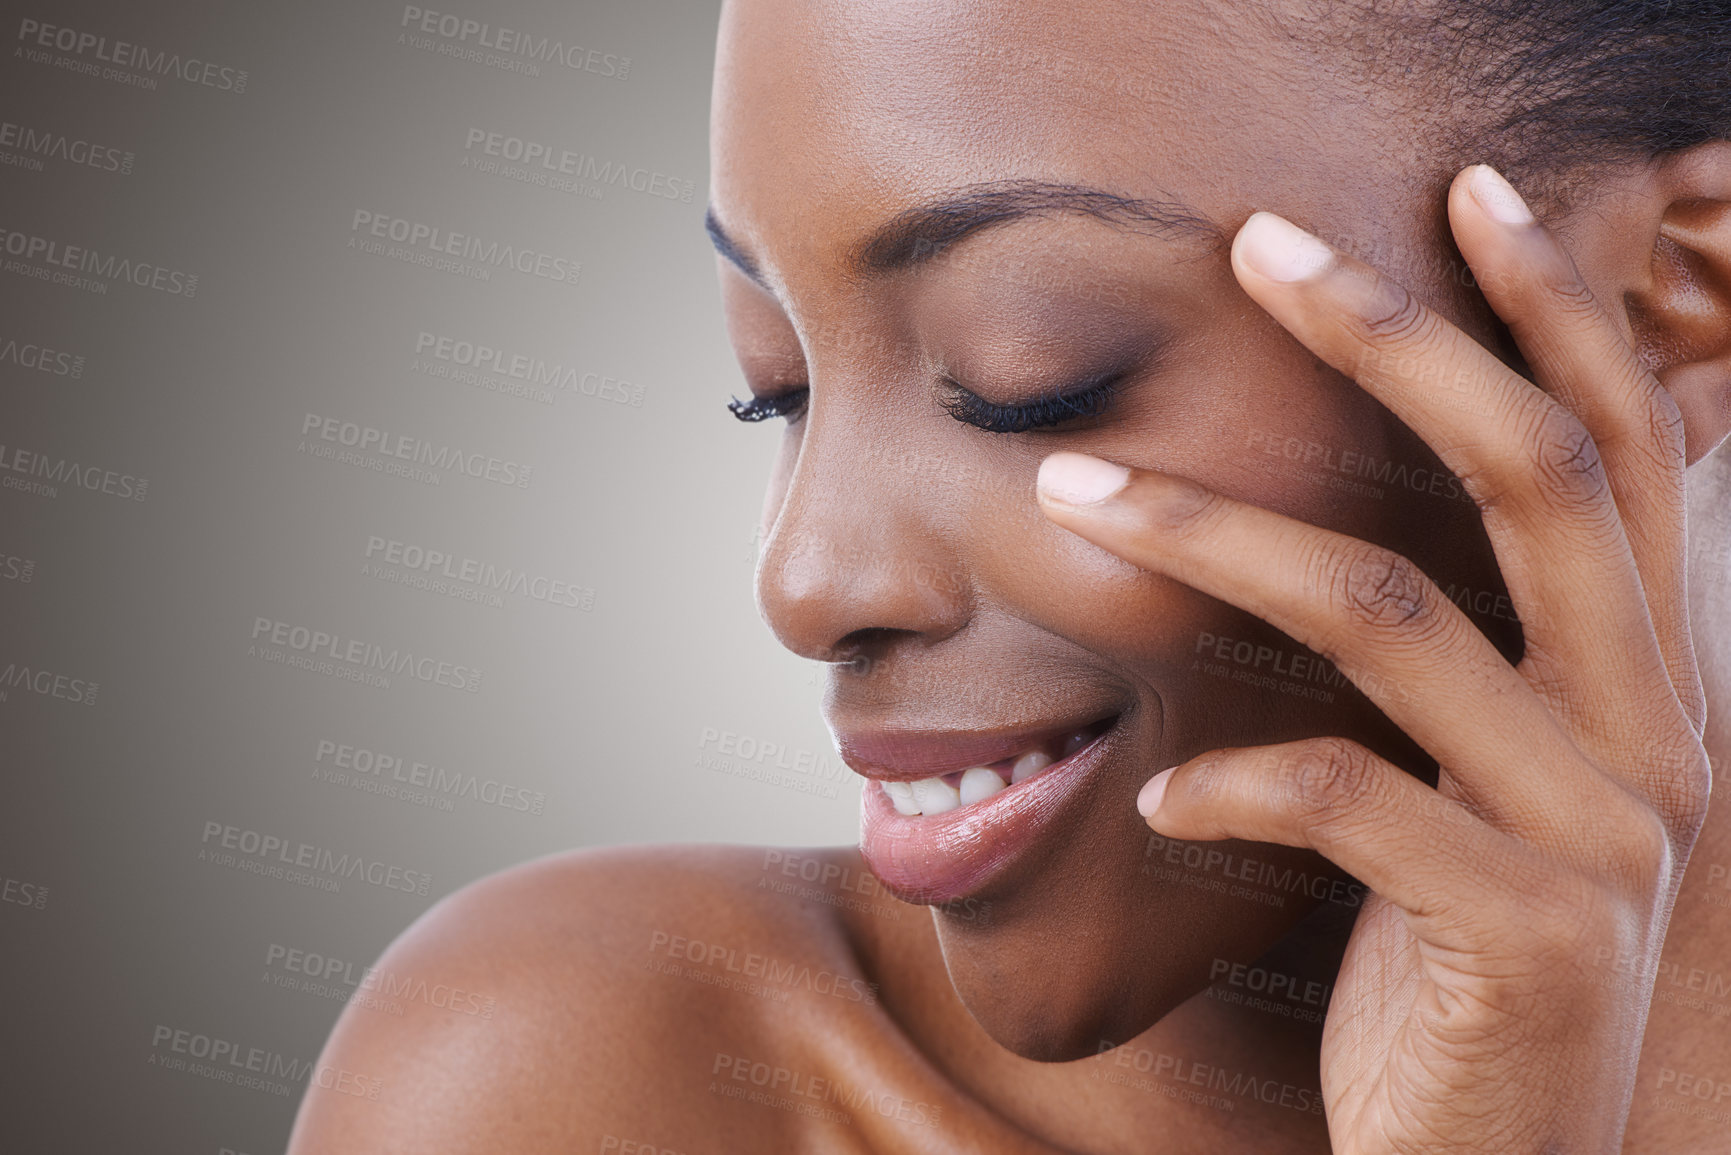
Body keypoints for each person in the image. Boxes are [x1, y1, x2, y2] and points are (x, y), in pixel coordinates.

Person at [288, 0, 1731, 1149]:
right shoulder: (600, 1071)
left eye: (1030, 374)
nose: (803, 582)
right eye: (772, 383)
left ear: (1679, 292)